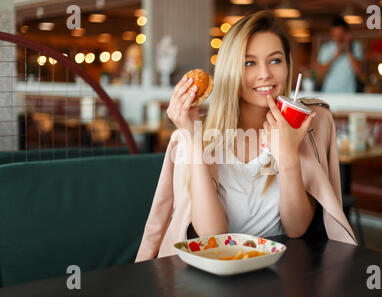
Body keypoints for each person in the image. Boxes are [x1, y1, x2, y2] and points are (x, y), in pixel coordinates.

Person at [135, 11, 357, 261]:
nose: (265, 74)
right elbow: (211, 236)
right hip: (214, 274)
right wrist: (194, 138)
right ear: (230, 69)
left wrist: (288, 155)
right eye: (249, 63)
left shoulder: (305, 127)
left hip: (282, 270)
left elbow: (296, 229)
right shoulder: (199, 136)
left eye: (275, 60)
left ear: (287, 64)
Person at [316, 16, 363, 93]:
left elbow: (359, 72)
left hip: (349, 93)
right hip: (328, 92)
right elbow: (319, 74)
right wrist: (336, 56)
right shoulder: (325, 48)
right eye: (335, 35)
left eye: (341, 35)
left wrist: (349, 51)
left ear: (346, 34)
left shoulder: (355, 47)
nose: (338, 39)